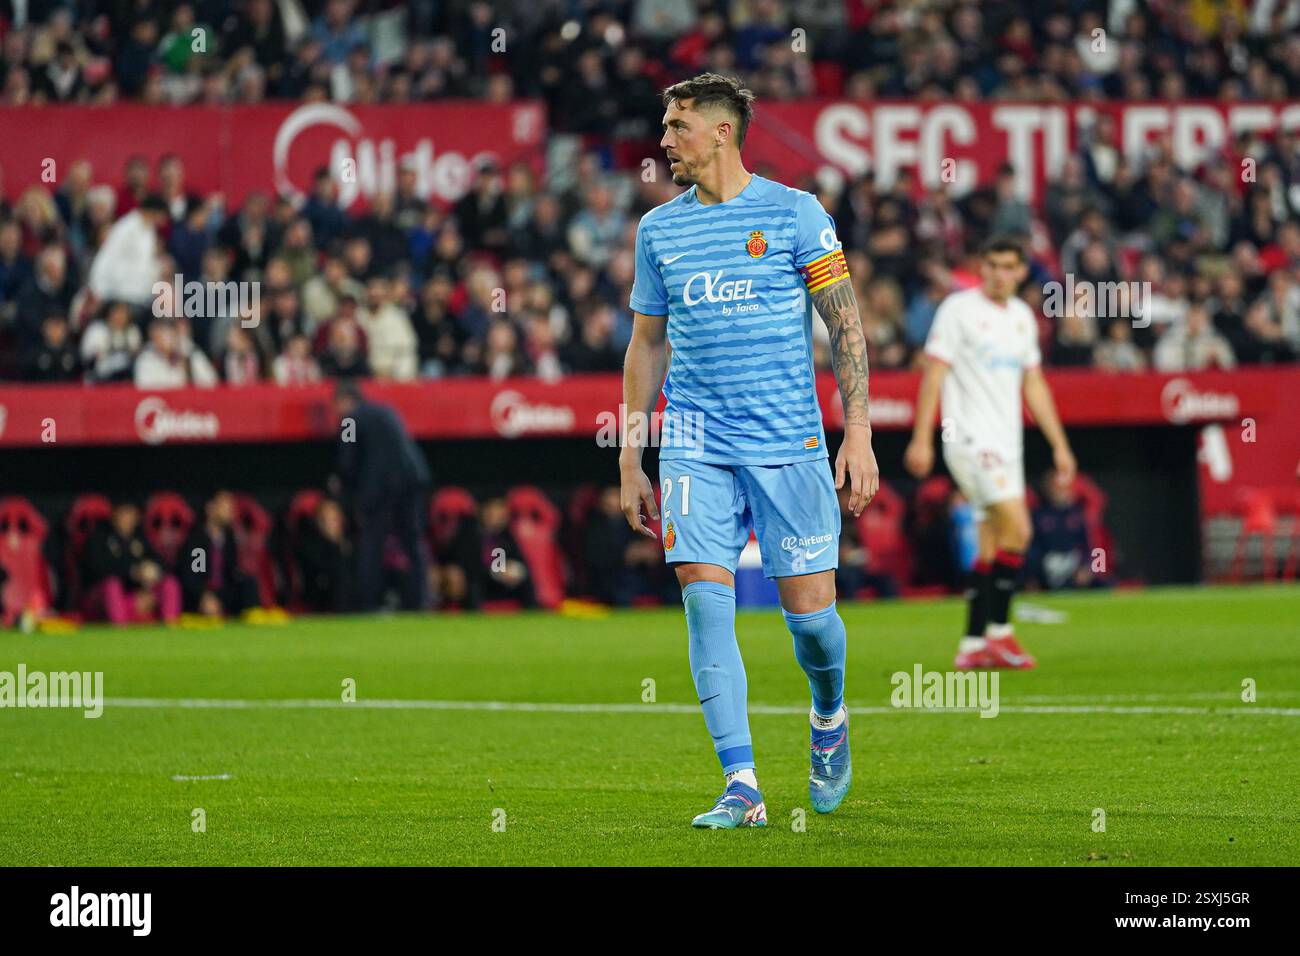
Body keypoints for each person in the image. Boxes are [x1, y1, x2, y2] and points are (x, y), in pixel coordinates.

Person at [619, 74, 880, 829]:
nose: (664, 141)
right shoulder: (658, 231)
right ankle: (742, 783)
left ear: (722, 131)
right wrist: (630, 455)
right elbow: (645, 345)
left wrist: (856, 433)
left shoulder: (797, 215)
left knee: (810, 623)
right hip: (695, 444)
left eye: (677, 126)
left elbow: (846, 326)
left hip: (787, 444)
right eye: (665, 126)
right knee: (705, 602)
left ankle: (828, 716)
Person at [904, 236, 1077, 671]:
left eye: (1009, 267)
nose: (1000, 274)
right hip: (968, 440)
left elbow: (1033, 385)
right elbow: (934, 373)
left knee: (990, 548)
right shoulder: (958, 311)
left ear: (1021, 272)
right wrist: (921, 437)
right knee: (1019, 531)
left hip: (1008, 445)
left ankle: (971, 644)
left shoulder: (1021, 318)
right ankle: (1001, 634)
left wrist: (1059, 444)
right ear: (982, 268)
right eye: (993, 265)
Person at [331, 379, 431, 610]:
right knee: (413, 542)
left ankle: (368, 602)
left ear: (345, 401)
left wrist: (341, 484)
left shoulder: (350, 419)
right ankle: (422, 600)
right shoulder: (387, 411)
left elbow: (347, 461)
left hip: (379, 488)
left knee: (371, 544)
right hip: (413, 480)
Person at [82, 502, 181, 624]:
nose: (127, 518)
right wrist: (133, 572)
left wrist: (151, 571)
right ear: (114, 515)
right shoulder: (99, 537)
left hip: (138, 594)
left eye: (131, 514)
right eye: (124, 513)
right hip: (105, 597)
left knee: (170, 583)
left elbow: (159, 562)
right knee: (112, 585)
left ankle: (170, 626)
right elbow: (98, 569)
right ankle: (120, 631)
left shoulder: (140, 537)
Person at [179, 490, 262, 617]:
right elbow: (195, 576)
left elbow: (231, 571)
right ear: (210, 508)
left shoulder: (228, 537)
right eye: (226, 506)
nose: (231, 511)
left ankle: (252, 618)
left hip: (223, 592)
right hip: (203, 595)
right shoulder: (198, 540)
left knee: (249, 583)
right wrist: (205, 596)